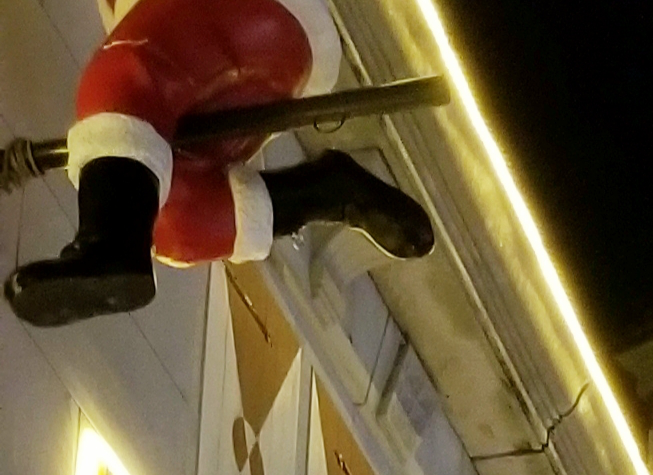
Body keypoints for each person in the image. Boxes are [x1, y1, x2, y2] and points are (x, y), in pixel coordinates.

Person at [7, 0, 435, 327]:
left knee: (124, 84)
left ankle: (108, 246)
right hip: (248, 50)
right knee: (170, 221)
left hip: (241, 18)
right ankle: (328, 192)